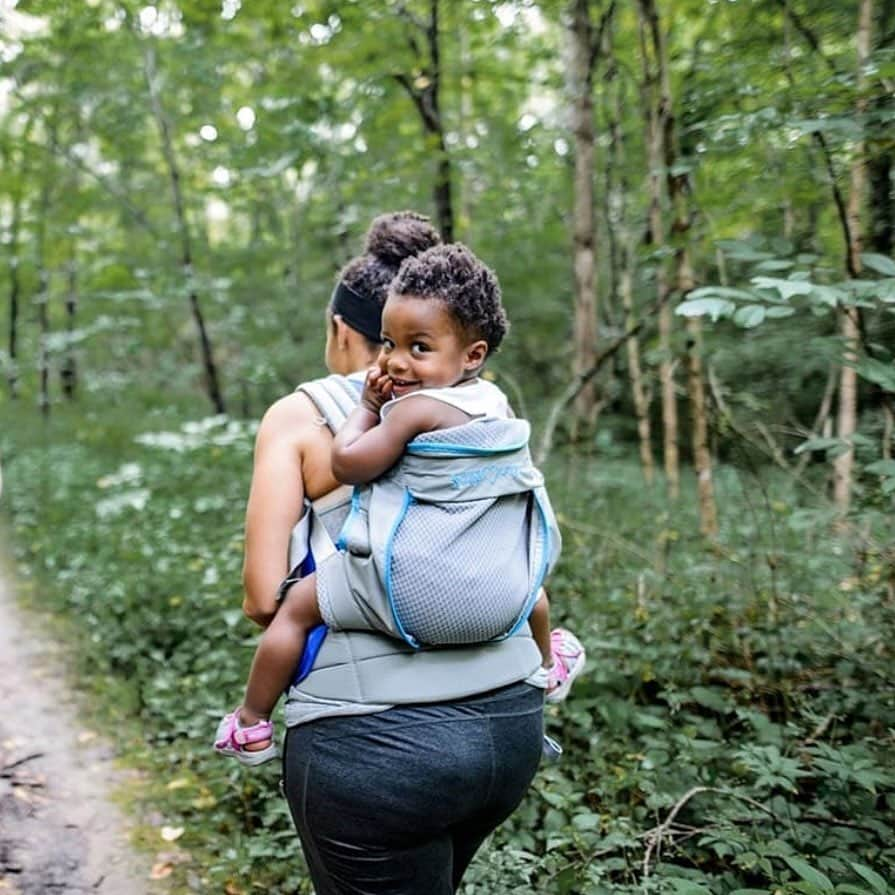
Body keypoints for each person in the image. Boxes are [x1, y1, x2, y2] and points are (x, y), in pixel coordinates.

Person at [230, 212, 585, 894]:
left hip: (373, 747)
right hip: (508, 729)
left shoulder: (300, 414)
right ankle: (554, 658)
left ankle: (245, 726)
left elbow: (259, 598)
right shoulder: (487, 403)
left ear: (339, 329)